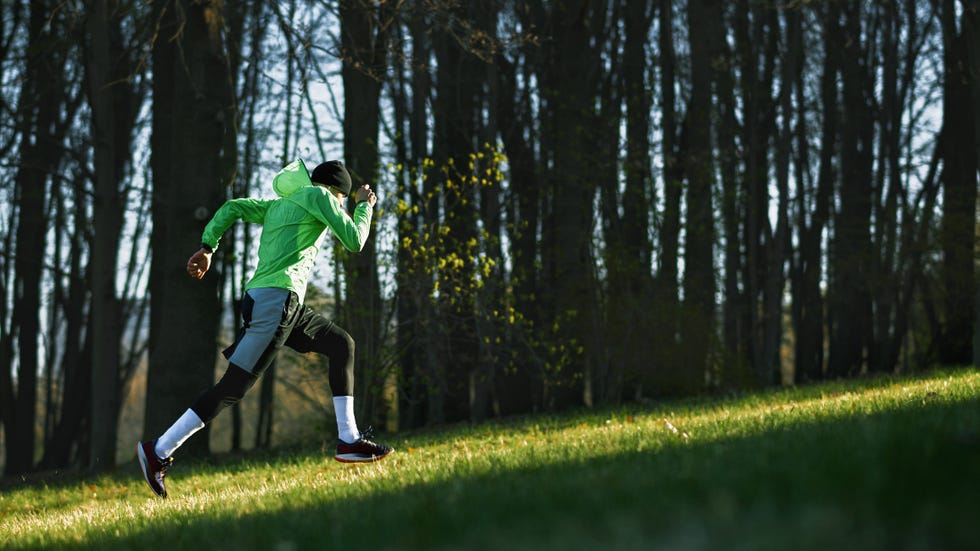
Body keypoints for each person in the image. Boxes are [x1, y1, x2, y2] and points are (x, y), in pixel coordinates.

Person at [137, 160, 393, 499]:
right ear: (337, 191)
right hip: (277, 303)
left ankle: (349, 439)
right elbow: (355, 240)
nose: (339, 206)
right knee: (232, 387)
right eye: (342, 199)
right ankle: (158, 451)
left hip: (279, 303)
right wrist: (363, 207)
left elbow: (233, 207)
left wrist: (208, 246)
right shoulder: (322, 197)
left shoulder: (280, 206)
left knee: (341, 344)